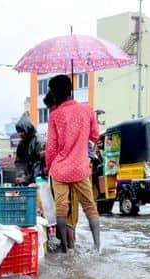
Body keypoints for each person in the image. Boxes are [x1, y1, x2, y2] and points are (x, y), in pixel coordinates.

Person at [45, 74, 101, 252]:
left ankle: (66, 248)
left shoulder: (55, 115)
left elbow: (51, 147)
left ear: (55, 92)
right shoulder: (88, 110)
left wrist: (49, 166)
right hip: (80, 168)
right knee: (89, 206)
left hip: (60, 170)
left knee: (61, 207)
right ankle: (97, 246)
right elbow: (95, 136)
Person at [14, 113, 42, 185]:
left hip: (39, 180)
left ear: (28, 130)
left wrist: (27, 179)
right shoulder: (21, 144)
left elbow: (39, 163)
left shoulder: (38, 141)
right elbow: (19, 162)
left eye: (22, 131)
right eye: (18, 131)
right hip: (26, 180)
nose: (20, 134)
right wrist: (21, 175)